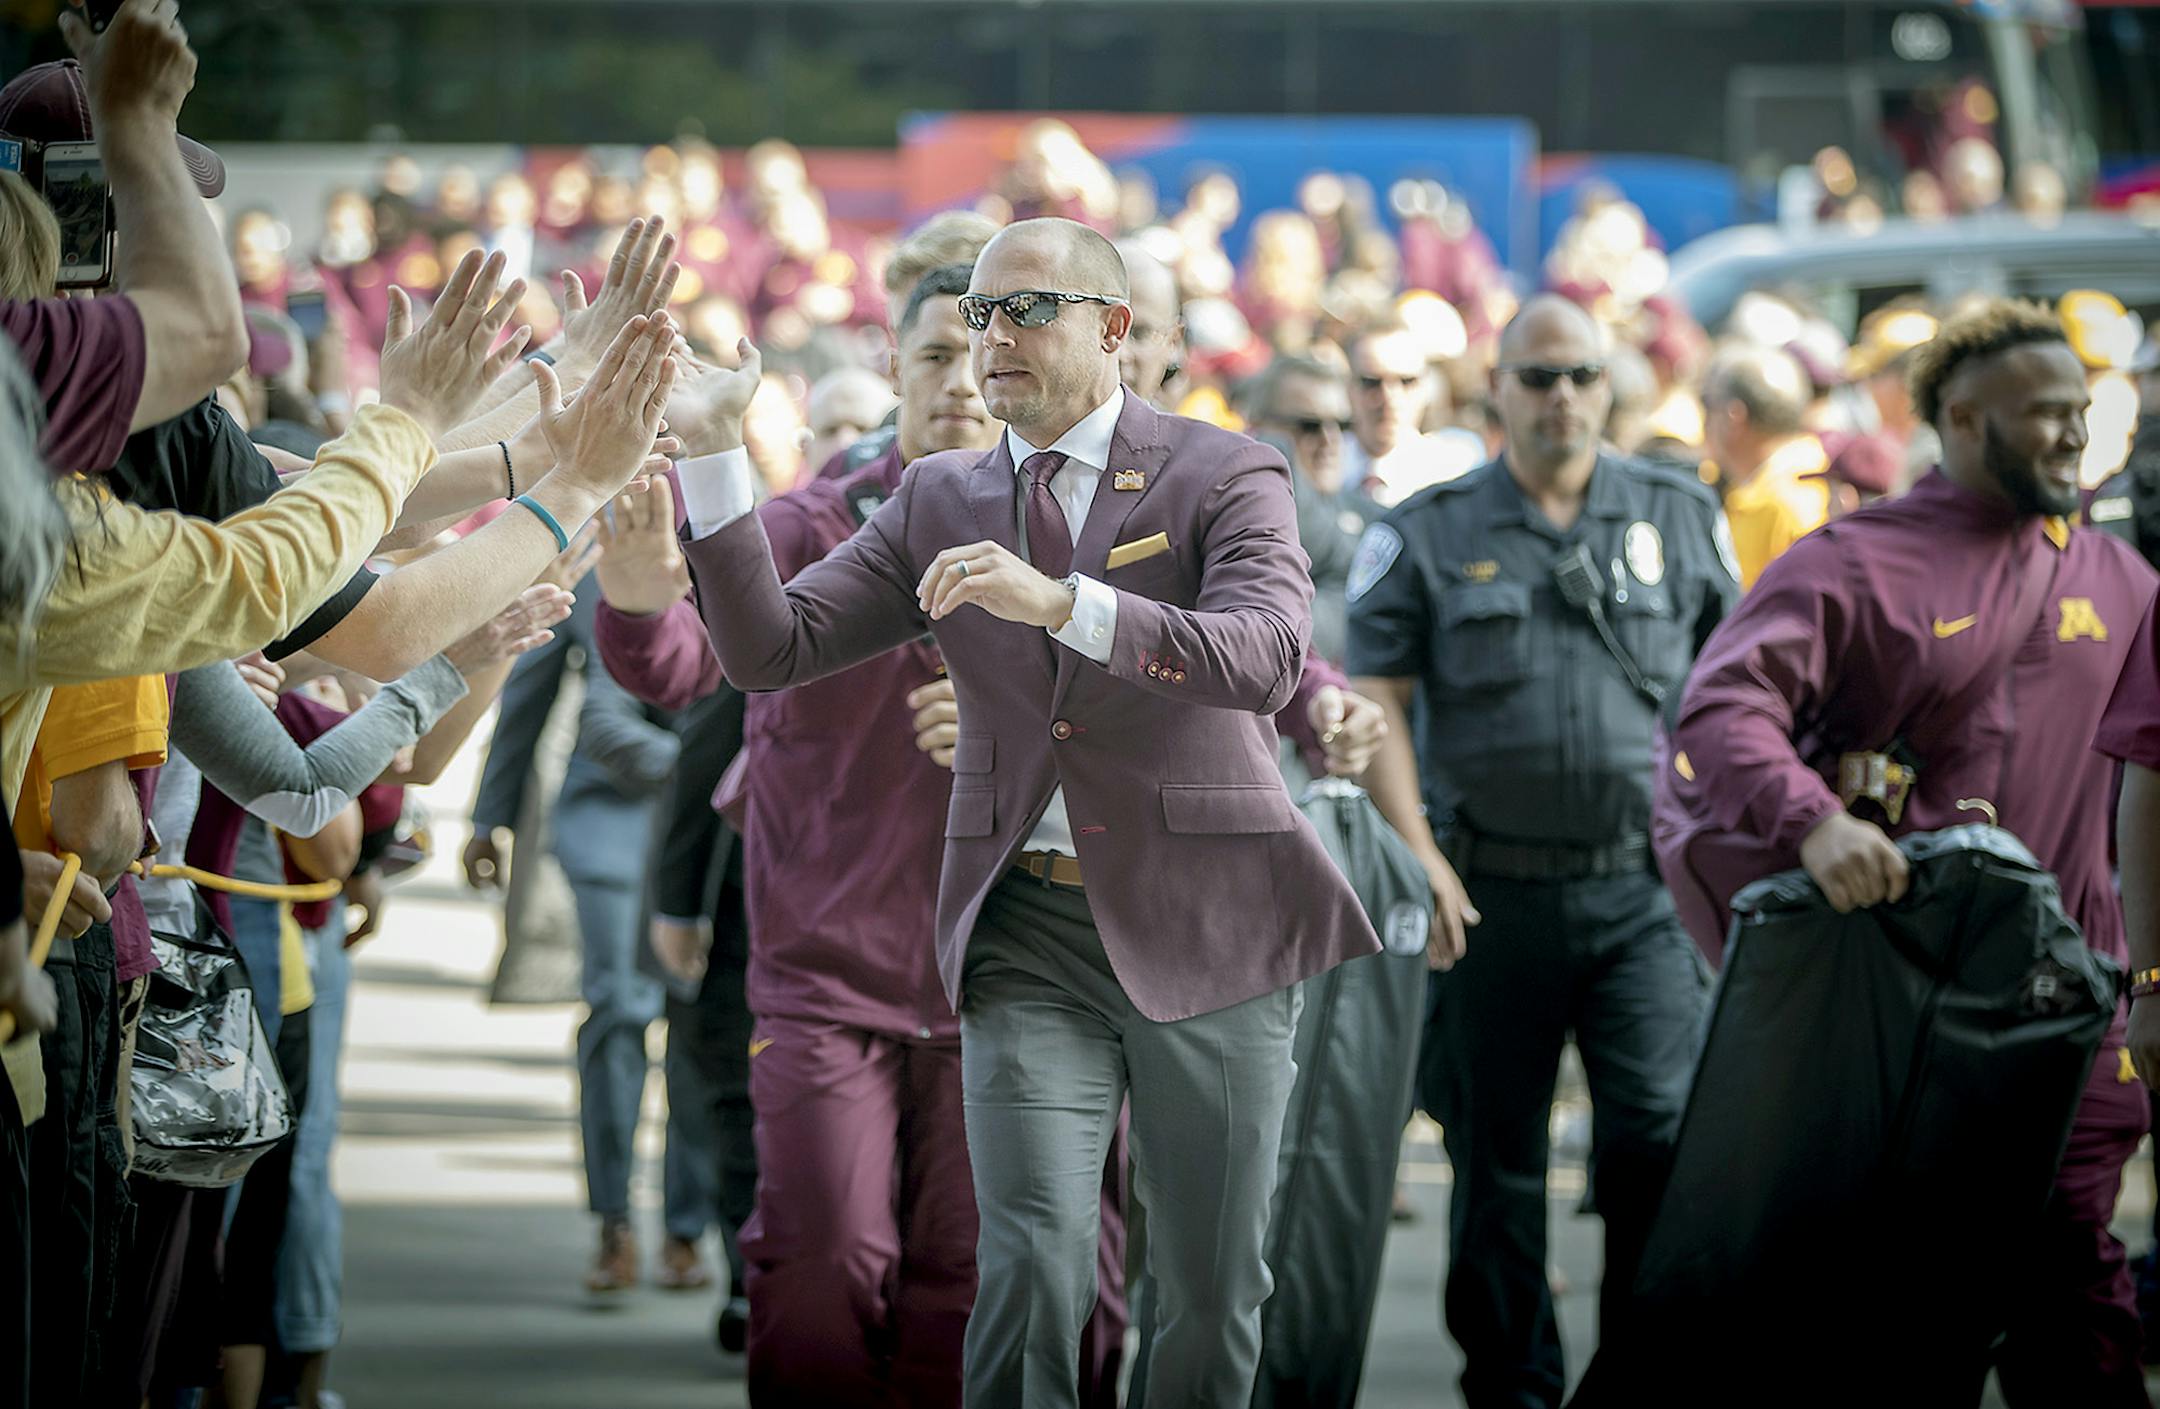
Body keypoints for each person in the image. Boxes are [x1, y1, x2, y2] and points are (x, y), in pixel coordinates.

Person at [665, 218, 1377, 1405]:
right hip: (1027, 933)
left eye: (1027, 310)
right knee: (1034, 1264)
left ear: (1112, 328)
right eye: (981, 314)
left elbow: (1264, 657)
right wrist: (710, 455)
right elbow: (766, 649)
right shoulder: (940, 493)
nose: (994, 336)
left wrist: (1066, 602)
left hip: (1211, 922)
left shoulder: (1226, 469)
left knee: (1206, 1289)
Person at [1661, 299, 2158, 1402]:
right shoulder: (1855, 561)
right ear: (1965, 420)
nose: (2077, 434)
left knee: (2079, 1294)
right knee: (1892, 1317)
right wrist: (1815, 819)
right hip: (1904, 1021)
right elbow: (1721, 705)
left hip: (2076, 1008)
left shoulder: (2123, 581)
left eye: (2083, 411)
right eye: (2046, 414)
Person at [596, 264, 1004, 1405]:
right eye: (934, 354)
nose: (963, 382)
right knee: (822, 1269)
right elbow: (682, 663)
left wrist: (1014, 723)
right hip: (828, 976)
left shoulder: (1069, 534)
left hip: (1007, 977)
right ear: (891, 363)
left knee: (963, 1292)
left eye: (986, 357)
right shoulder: (808, 523)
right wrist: (635, 595)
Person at [1348, 294, 1738, 1409]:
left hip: (1643, 894)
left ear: (1609, 387)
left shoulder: (1677, 511)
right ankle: (1515, 1390)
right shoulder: (1428, 528)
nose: (1560, 396)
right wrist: (1415, 851)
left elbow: (1743, 678)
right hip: (1487, 893)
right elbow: (1375, 696)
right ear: (1497, 392)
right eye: (1537, 377)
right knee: (1494, 1164)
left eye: (1579, 375)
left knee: (1658, 1147)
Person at [0, 2, 248, 474]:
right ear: (79, 210)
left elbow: (271, 487)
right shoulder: (41, 360)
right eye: (147, 187)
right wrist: (138, 117)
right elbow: (209, 336)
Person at [1249, 355, 1384, 665]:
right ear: (1258, 427)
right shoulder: (1231, 516)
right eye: (1309, 426)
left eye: (1343, 424)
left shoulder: (1375, 519)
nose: (1330, 439)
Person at [1699, 343, 1830, 588]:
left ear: (1734, 416)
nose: (1703, 419)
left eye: (1707, 403)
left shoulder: (1789, 503)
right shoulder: (1773, 483)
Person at [1345, 313, 1482, 505]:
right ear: (1347, 386)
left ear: (1427, 387)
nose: (1390, 397)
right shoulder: (1319, 466)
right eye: (1372, 383)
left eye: (1406, 382)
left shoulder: (1454, 471)